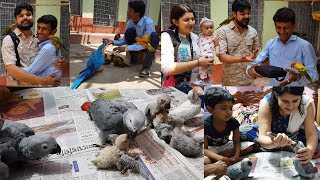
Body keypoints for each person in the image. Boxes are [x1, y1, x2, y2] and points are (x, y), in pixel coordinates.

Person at [247, 7, 319, 86]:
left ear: (294, 25)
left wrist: (298, 77)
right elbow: (254, 64)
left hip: (295, 92)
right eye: (278, 27)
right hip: (275, 91)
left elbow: (314, 75)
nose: (282, 32)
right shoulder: (271, 44)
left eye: (286, 28)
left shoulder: (304, 46)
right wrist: (250, 70)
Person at [1, 2, 64, 86]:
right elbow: (11, 69)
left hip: (38, 89)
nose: (25, 17)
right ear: (16, 20)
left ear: (32, 17)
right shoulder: (10, 40)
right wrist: (42, 80)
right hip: (18, 88)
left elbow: (48, 59)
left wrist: (60, 62)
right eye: (21, 15)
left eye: (28, 14)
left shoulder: (39, 40)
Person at [258, 87, 319, 164]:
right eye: (285, 101)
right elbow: (263, 137)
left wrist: (310, 150)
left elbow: (311, 134)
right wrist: (274, 143)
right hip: (272, 138)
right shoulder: (266, 103)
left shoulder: (306, 103)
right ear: (276, 96)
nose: (290, 106)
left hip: (296, 135)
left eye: (295, 101)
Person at [161, 4, 213, 93]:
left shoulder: (196, 38)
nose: (191, 23)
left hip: (198, 88)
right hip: (176, 89)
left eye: (193, 19)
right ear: (175, 22)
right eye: (186, 20)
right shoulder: (167, 37)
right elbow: (166, 69)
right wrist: (198, 62)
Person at [102, 0, 159, 78]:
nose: (128, 12)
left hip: (148, 46)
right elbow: (125, 39)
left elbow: (144, 44)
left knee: (155, 36)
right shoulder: (130, 23)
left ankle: (146, 67)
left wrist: (126, 48)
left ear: (137, 13)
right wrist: (113, 41)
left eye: (130, 10)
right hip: (136, 45)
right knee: (129, 32)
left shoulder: (149, 23)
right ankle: (134, 58)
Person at [204, 87, 253, 166]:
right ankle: (221, 157)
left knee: (250, 147)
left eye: (230, 108)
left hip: (226, 146)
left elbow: (236, 142)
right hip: (211, 150)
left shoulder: (233, 122)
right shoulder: (206, 125)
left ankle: (222, 157)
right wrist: (221, 158)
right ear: (210, 110)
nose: (229, 112)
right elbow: (205, 149)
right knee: (205, 161)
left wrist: (236, 156)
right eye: (223, 108)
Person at [217, 0, 260, 86]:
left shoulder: (253, 32)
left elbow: (258, 52)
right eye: (243, 14)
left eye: (248, 13)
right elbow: (222, 57)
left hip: (250, 82)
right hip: (230, 83)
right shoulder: (223, 31)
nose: (247, 16)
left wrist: (259, 65)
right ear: (234, 14)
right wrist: (242, 59)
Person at [21, 15, 62, 79]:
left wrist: (12, 70)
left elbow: (30, 72)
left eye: (44, 29)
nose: (39, 31)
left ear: (54, 31)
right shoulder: (48, 44)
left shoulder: (48, 48)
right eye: (38, 28)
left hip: (45, 87)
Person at [193, 17, 219, 87]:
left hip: (209, 55)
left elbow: (217, 45)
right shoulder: (200, 36)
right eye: (207, 28)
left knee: (205, 68)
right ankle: (206, 81)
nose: (210, 30)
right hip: (201, 56)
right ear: (201, 29)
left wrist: (217, 52)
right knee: (202, 69)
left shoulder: (213, 37)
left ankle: (205, 81)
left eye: (211, 27)